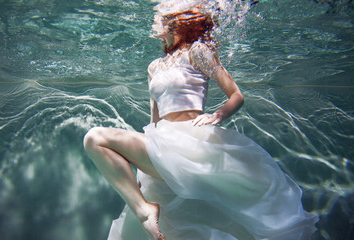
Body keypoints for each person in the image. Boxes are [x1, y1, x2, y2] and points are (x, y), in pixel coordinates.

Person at [83, 6, 318, 240]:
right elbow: (153, 120)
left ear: (175, 21)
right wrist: (141, 170)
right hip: (161, 142)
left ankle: (145, 211)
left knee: (96, 138)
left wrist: (217, 115)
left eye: (158, 17)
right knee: (174, 228)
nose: (153, 22)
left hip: (190, 143)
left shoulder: (197, 51)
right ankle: (144, 209)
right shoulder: (153, 66)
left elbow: (236, 95)